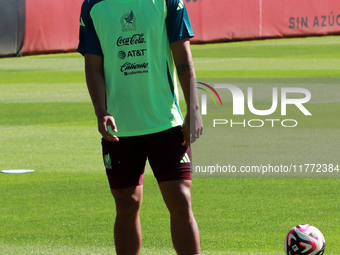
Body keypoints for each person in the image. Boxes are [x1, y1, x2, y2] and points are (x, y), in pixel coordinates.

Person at [77, 0, 203, 254]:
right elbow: (93, 65)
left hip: (166, 122)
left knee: (181, 200)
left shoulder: (168, 1)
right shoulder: (93, 5)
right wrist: (101, 111)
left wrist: (194, 110)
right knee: (126, 205)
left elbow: (182, 56)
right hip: (120, 129)